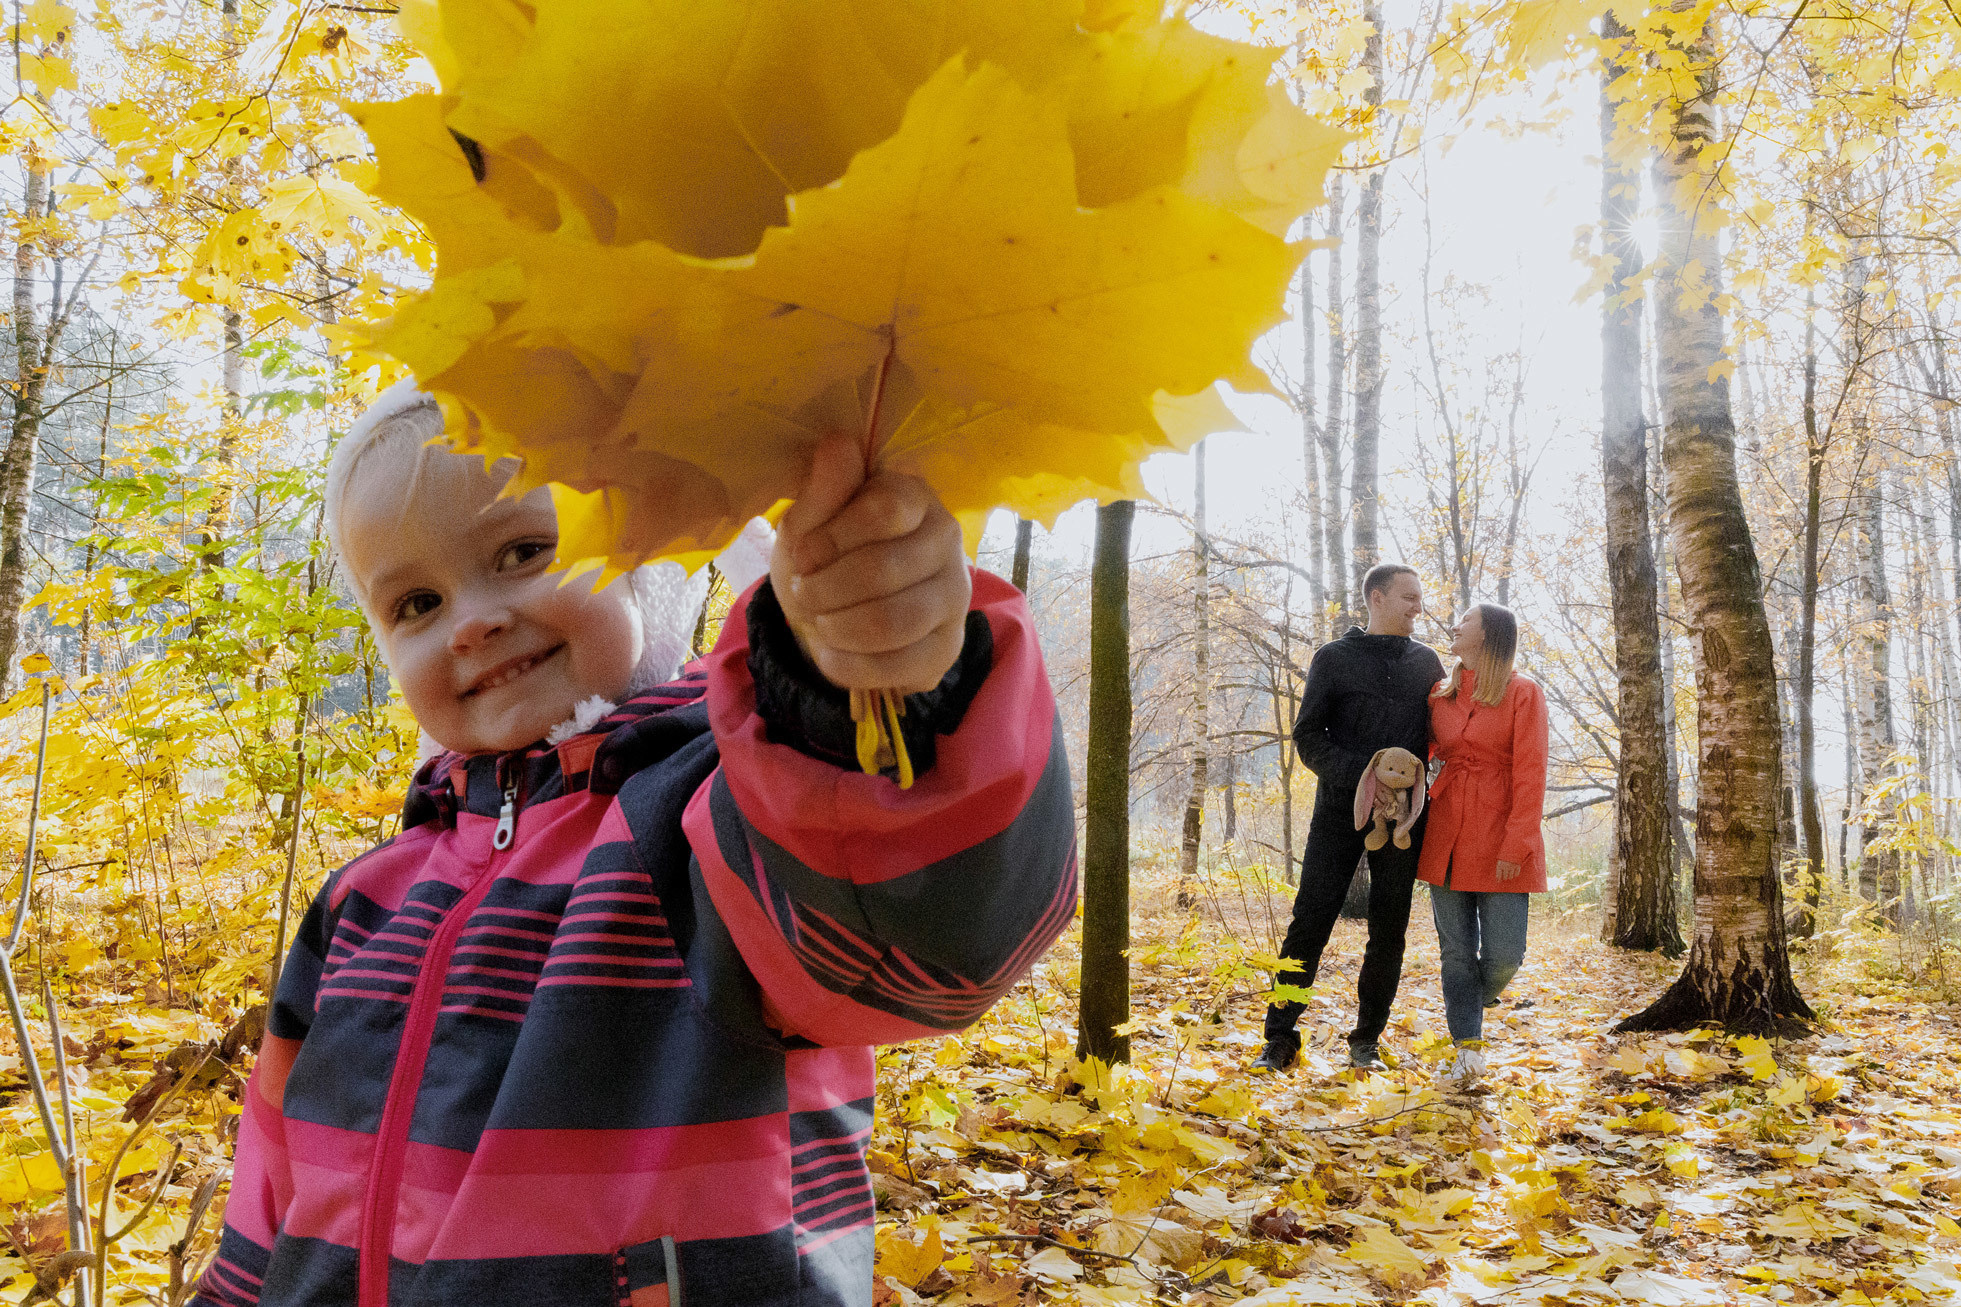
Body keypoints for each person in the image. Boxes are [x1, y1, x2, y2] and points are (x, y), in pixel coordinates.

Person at [192, 384, 1077, 1307]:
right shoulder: (361, 902)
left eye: (524, 551)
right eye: (416, 601)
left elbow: (924, 935)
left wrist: (875, 687)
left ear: (653, 566)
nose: (472, 619)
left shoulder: (713, 826)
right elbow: (272, 1185)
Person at [1255, 564, 1445, 1073]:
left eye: (1419, 598)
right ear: (1377, 598)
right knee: (1309, 922)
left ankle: (1366, 1040)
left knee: (1390, 928)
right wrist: (1363, 777)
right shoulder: (1333, 659)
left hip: (1403, 824)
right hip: (1338, 810)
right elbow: (1308, 736)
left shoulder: (1427, 664)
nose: (1417, 607)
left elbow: (1440, 737)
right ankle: (1279, 1038)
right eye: (1409, 597)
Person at [1417, 602, 1548, 1085]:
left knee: (1505, 956)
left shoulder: (1523, 693)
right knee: (1456, 952)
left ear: (1489, 635)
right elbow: (1425, 750)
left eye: (1464, 621)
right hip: (1445, 830)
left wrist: (1519, 842)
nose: (1454, 626)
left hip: (1502, 835)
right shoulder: (1440, 695)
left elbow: (1532, 772)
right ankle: (1467, 1049)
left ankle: (1470, 999)